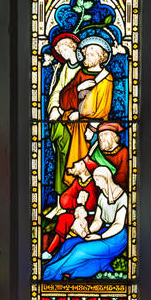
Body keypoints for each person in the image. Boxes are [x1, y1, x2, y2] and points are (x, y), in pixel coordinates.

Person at [46, 33, 113, 193]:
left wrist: (82, 117)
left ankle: (81, 194)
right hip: (71, 123)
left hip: (89, 127)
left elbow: (102, 109)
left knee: (81, 159)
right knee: (62, 141)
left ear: (101, 57)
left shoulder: (106, 79)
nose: (86, 56)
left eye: (91, 54)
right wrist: (78, 89)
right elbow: (64, 97)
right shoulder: (81, 74)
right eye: (85, 53)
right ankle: (65, 194)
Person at [42, 166, 128, 280]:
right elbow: (98, 220)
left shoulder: (123, 197)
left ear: (106, 179)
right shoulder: (102, 196)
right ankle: (47, 267)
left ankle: (51, 272)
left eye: (98, 180)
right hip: (104, 232)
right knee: (68, 243)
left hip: (117, 238)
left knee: (80, 249)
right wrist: (88, 233)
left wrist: (100, 236)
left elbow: (118, 224)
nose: (96, 184)